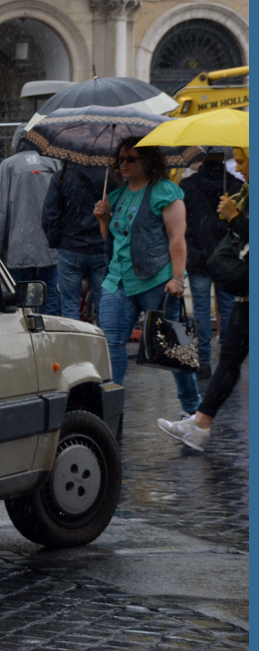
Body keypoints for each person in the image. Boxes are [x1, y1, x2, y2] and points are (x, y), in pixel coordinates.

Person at [93, 138, 200, 418]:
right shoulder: (116, 196)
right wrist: (103, 219)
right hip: (118, 280)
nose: (124, 164)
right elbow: (112, 239)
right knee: (111, 344)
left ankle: (193, 411)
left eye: (132, 159)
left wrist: (178, 278)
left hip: (157, 281)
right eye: (121, 159)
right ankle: (110, 411)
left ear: (148, 161)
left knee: (173, 349)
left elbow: (177, 240)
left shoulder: (165, 192)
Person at [157, 146, 248, 452]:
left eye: (245, 160)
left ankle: (202, 374)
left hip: (214, 266)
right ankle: (200, 424)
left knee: (222, 350)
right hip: (239, 283)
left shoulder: (197, 186)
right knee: (230, 357)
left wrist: (235, 219)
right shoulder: (239, 188)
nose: (242, 166)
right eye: (238, 159)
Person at [0, 147, 62, 316]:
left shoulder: (9, 165)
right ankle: (51, 336)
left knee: (19, 300)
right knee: (50, 297)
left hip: (18, 251)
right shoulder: (53, 164)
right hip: (49, 250)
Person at [180, 148, 237, 379]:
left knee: (201, 309)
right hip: (227, 256)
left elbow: (183, 221)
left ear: (202, 157)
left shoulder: (188, 185)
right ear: (224, 157)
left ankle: (203, 362)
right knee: (229, 308)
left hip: (198, 256)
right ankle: (228, 360)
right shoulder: (234, 186)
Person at [42, 159, 110, 323]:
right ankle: (106, 343)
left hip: (70, 248)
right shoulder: (108, 177)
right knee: (106, 305)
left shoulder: (63, 176)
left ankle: (73, 344)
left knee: (69, 306)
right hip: (100, 246)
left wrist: (56, 240)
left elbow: (50, 214)